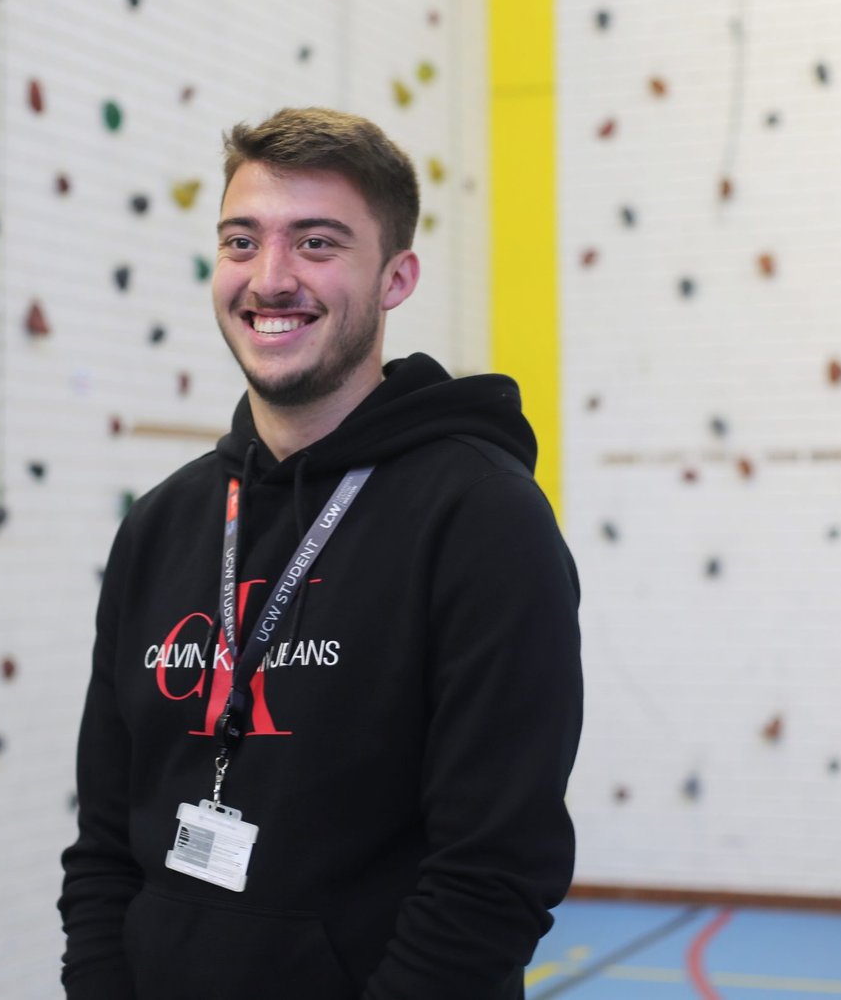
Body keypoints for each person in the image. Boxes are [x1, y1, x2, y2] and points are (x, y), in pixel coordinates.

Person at [59, 107, 583, 1000]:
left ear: (395, 277)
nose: (270, 278)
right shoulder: (161, 524)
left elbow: (492, 872)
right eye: (241, 240)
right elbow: (107, 843)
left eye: (317, 243)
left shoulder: (483, 518)